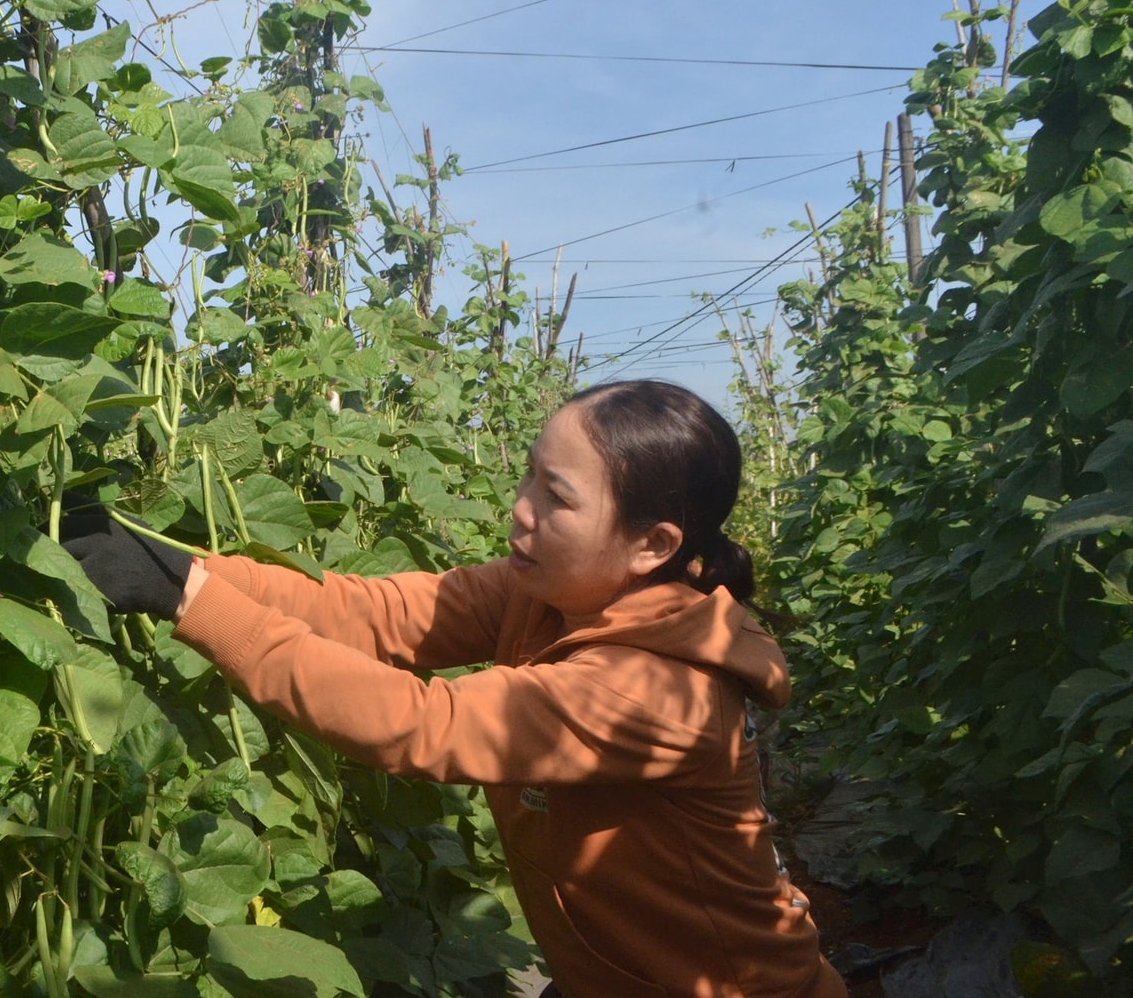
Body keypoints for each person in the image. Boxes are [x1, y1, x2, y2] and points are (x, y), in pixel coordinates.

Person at [64, 379, 848, 998]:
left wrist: (192, 606)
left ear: (654, 544)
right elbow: (375, 612)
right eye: (529, 476)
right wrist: (186, 569)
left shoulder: (658, 693)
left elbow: (422, 724)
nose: (521, 508)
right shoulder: (547, 592)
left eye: (557, 495)